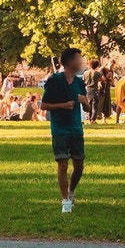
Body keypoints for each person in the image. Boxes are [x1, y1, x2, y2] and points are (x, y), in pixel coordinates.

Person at [41, 48, 89, 213]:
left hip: (77, 129)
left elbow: (88, 108)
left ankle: (71, 191)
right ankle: (65, 200)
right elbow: (44, 105)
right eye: (78, 59)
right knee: (62, 164)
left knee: (79, 165)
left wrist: (85, 102)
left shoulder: (79, 82)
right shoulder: (55, 80)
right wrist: (63, 105)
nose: (81, 62)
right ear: (69, 62)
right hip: (60, 129)